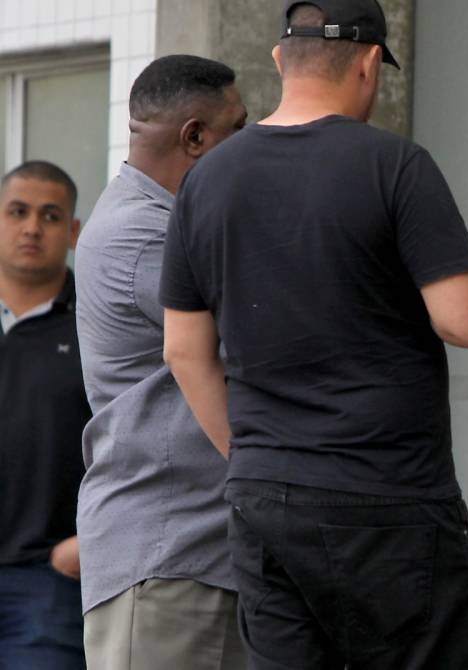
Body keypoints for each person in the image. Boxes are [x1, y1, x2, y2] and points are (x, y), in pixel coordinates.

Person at [157, 2, 468, 668]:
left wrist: (254, 451)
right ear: (370, 66)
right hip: (389, 495)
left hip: (264, 496)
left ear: (281, 60)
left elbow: (182, 350)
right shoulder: (394, 165)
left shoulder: (204, 182)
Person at [73, 55, 248, 670]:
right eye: (240, 130)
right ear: (195, 137)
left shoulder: (160, 222)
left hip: (191, 554)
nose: (251, 149)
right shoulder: (146, 234)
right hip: (168, 555)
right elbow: (262, 344)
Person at [0, 160, 89, 669]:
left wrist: (88, 544)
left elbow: (138, 443)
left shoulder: (99, 326)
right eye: (18, 211)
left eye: (51, 216)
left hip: (49, 581)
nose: (33, 227)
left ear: (73, 231)